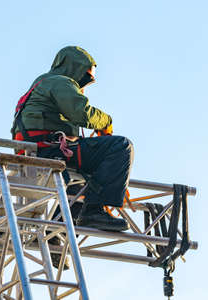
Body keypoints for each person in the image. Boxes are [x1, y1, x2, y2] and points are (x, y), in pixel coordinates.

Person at [11, 46, 133, 232]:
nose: (84, 82)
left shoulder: (41, 84)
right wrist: (105, 122)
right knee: (121, 146)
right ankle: (95, 211)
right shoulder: (60, 82)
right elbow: (81, 114)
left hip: (40, 150)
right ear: (73, 67)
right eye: (85, 75)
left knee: (79, 189)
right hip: (50, 150)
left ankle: (55, 237)